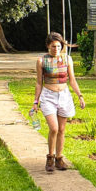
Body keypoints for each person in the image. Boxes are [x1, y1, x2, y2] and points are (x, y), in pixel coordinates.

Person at [33, 32, 85, 172]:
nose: (55, 49)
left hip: (64, 95)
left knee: (62, 129)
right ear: (47, 46)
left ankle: (59, 159)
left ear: (61, 46)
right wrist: (35, 101)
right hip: (48, 96)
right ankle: (50, 157)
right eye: (52, 46)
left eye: (58, 46)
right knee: (54, 128)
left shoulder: (67, 59)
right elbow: (39, 83)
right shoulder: (41, 61)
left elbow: (72, 80)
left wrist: (79, 95)